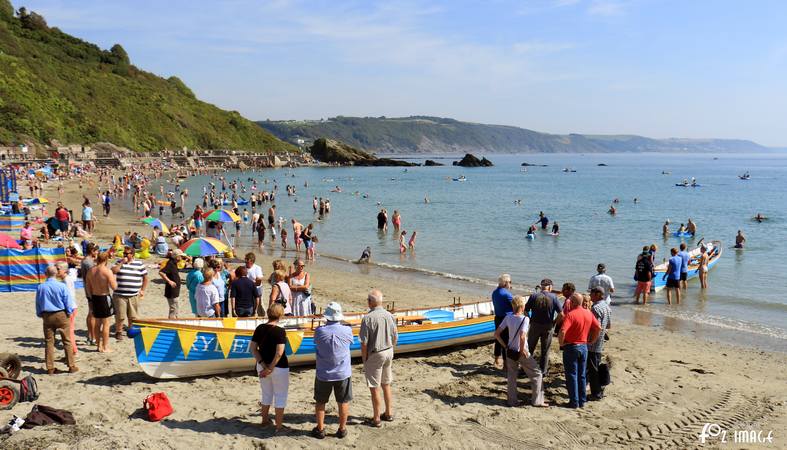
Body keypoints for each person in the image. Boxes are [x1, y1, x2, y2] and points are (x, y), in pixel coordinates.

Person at [494, 295, 548, 407]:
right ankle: (537, 401)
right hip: (521, 351)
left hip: (510, 350)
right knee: (537, 374)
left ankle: (512, 401)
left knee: (512, 376)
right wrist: (522, 349)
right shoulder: (525, 319)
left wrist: (505, 346)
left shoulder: (508, 317)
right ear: (522, 306)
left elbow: (497, 334)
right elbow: (522, 336)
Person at [312, 302, 354, 439]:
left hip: (324, 373)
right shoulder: (347, 330)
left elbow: (317, 342)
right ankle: (342, 429)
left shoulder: (319, 331)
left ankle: (320, 428)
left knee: (320, 401)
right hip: (342, 372)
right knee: (343, 401)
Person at [359, 290, 398, 427]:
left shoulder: (367, 318)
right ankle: (388, 413)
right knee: (386, 384)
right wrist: (391, 348)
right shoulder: (389, 315)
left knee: (375, 387)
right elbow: (395, 337)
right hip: (388, 351)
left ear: (370, 302)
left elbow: (364, 343)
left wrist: (364, 359)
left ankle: (376, 418)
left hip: (376, 353)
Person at [251, 304, 290, 433]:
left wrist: (263, 365)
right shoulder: (280, 331)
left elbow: (253, 349)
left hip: (262, 365)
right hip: (278, 367)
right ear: (280, 315)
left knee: (266, 393)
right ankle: (279, 426)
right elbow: (279, 353)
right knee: (280, 395)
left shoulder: (260, 328)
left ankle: (264, 420)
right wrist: (270, 368)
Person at [558, 293, 601, 408]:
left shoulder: (570, 315)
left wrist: (561, 343)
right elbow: (598, 328)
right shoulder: (588, 313)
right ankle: (582, 401)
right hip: (583, 347)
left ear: (572, 302)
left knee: (571, 375)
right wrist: (592, 340)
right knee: (581, 375)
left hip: (571, 347)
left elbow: (562, 331)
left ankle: (574, 402)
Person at [35, 265, 79, 374]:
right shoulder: (61, 286)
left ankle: (50, 367)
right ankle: (71, 365)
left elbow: (38, 302)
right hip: (61, 314)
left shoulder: (41, 287)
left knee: (49, 341)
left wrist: (40, 313)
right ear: (56, 274)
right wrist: (68, 312)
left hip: (47, 315)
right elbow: (67, 301)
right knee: (67, 340)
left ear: (46, 274)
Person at [525, 279, 562, 377]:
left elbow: (525, 310)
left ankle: (526, 369)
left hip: (535, 325)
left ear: (541, 286)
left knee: (530, 348)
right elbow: (562, 314)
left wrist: (529, 319)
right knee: (545, 350)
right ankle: (543, 371)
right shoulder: (554, 297)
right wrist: (554, 322)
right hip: (548, 326)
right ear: (550, 287)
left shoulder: (533, 296)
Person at [111, 246, 148, 339]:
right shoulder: (119, 262)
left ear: (132, 254)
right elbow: (113, 271)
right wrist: (122, 262)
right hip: (120, 295)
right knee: (120, 315)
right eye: (124, 253)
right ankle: (118, 332)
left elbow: (145, 278)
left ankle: (131, 330)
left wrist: (142, 290)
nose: (124, 255)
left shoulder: (139, 264)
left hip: (133, 295)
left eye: (127, 253)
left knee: (132, 315)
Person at [85, 251, 116, 353]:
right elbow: (114, 287)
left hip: (94, 297)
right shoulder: (107, 271)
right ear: (106, 260)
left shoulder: (91, 271)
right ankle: (105, 347)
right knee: (106, 323)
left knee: (97, 324)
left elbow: (88, 287)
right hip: (104, 297)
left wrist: (90, 298)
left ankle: (98, 346)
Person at [587, 287, 611, 401]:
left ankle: (596, 393)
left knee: (593, 369)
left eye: (591, 293)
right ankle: (598, 389)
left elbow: (596, 327)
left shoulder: (595, 308)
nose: (590, 295)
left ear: (597, 294)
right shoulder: (606, 306)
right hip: (600, 342)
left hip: (593, 342)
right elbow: (609, 326)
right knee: (595, 366)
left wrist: (591, 340)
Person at [55, 261, 79, 356]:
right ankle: (71, 353)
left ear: (64, 270)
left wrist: (68, 310)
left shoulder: (67, 280)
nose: (56, 271)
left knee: (69, 332)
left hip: (70, 308)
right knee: (67, 332)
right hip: (70, 307)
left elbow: (69, 297)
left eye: (58, 269)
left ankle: (74, 352)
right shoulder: (65, 280)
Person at [491, 274, 514, 369]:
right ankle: (505, 364)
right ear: (505, 283)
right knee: (506, 341)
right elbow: (515, 306)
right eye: (510, 282)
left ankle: (496, 359)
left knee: (498, 339)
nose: (511, 284)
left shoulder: (495, 292)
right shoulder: (507, 294)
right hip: (506, 319)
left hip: (498, 318)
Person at [80, 243, 98, 345]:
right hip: (91, 290)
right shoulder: (88, 262)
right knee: (92, 313)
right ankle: (92, 337)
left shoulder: (86, 260)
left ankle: (90, 336)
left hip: (88, 289)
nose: (97, 252)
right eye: (96, 251)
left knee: (91, 312)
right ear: (92, 251)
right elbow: (93, 276)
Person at [159, 249, 184, 318]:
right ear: (177, 257)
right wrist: (169, 281)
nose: (182, 258)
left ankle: (175, 320)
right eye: (181, 256)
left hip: (174, 290)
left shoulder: (174, 262)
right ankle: (172, 322)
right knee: (173, 308)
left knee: (176, 307)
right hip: (171, 291)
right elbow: (161, 272)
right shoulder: (170, 263)